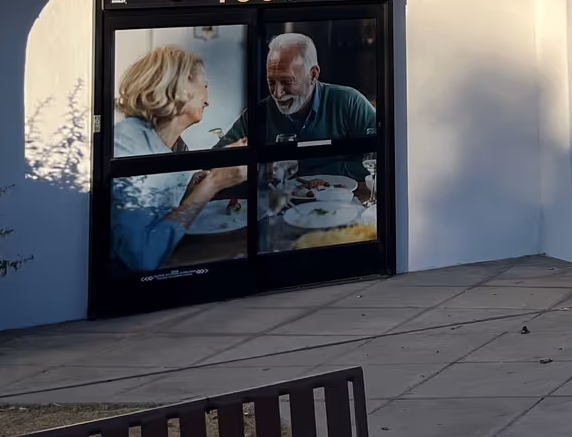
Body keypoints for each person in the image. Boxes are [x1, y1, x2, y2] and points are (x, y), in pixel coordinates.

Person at [110, 44, 247, 274]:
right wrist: (212, 183)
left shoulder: (177, 146)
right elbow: (141, 258)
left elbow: (165, 214)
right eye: (204, 85)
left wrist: (195, 186)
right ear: (180, 87)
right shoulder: (126, 142)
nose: (207, 100)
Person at [221, 32, 376, 180]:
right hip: (278, 203)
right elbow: (219, 158)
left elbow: (382, 156)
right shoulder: (258, 114)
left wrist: (320, 172)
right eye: (271, 82)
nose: (277, 94)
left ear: (313, 75)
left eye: (287, 81)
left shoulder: (349, 102)